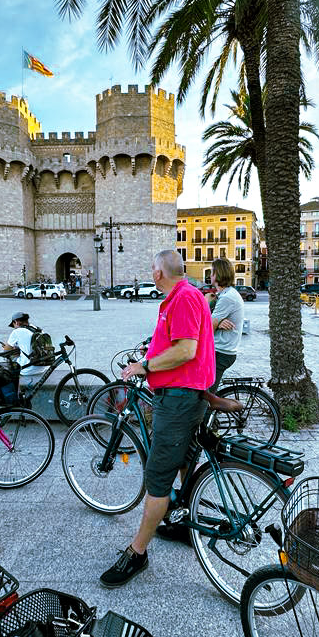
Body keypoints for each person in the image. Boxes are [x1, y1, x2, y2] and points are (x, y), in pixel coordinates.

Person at [100, 250, 214, 588]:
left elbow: (185, 349)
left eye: (152, 269)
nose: (151, 274)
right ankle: (182, 522)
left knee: (158, 478)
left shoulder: (182, 298)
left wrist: (145, 366)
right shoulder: (184, 296)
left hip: (178, 399)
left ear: (159, 273)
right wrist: (152, 350)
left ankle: (137, 553)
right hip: (187, 394)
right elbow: (174, 341)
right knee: (183, 460)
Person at [205, 258, 244, 392]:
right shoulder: (225, 294)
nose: (210, 275)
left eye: (212, 272)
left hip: (220, 353)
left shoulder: (227, 297)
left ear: (218, 274)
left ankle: (208, 411)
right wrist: (218, 321)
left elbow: (207, 328)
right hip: (220, 350)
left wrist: (216, 322)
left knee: (205, 396)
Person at [2, 312, 48, 388]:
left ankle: (14, 388)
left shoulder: (16, 332)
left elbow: (6, 351)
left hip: (28, 369)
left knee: (8, 359)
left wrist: (7, 348)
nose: (14, 327)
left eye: (13, 325)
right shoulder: (37, 329)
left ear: (15, 322)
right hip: (42, 367)